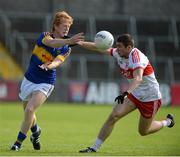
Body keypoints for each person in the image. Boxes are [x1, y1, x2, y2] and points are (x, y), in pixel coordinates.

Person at [78, 34, 175, 153]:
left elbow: (138, 78)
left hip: (150, 98)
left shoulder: (137, 58)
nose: (117, 49)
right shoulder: (120, 53)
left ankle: (167, 122)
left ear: (129, 47)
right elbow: (100, 48)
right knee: (113, 116)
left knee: (143, 131)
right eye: (116, 46)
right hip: (134, 95)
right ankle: (94, 148)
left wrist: (125, 93)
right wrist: (80, 43)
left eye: (119, 46)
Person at [10, 11, 84, 151]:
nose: (67, 29)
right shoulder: (44, 36)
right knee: (28, 112)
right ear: (55, 26)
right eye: (64, 26)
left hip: (46, 82)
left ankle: (18, 143)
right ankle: (36, 131)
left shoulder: (66, 48)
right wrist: (69, 40)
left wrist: (48, 66)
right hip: (29, 78)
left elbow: (57, 62)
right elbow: (52, 43)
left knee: (30, 109)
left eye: (68, 26)